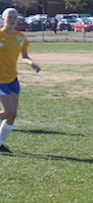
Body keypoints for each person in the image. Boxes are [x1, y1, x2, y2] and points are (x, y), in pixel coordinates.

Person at [0, 8, 41, 154]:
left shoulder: (20, 37)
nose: (12, 20)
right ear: (3, 19)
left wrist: (31, 63)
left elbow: (24, 56)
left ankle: (0, 143)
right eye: (9, 17)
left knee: (13, 114)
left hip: (12, 78)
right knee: (7, 111)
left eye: (14, 18)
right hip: (0, 79)